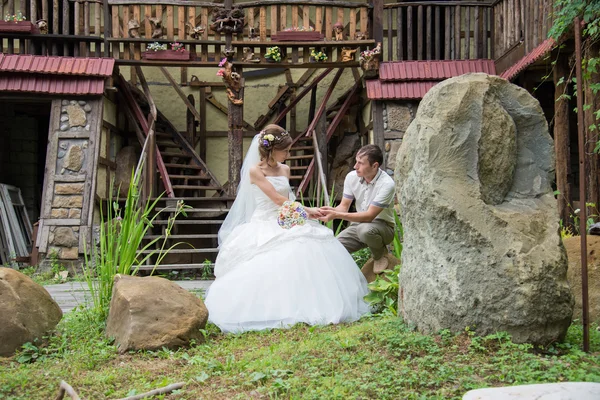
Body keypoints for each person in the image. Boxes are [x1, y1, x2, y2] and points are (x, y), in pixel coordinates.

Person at [204, 125, 370, 333]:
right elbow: (275, 198)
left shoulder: (285, 169)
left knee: (310, 242)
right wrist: (307, 210)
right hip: (265, 220)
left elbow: (288, 199)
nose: (288, 155)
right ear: (273, 150)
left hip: (285, 215)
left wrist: (302, 215)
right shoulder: (255, 171)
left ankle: (310, 303)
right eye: (286, 150)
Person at [319, 144, 396, 273]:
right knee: (334, 248)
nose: (355, 166)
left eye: (360, 163)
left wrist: (336, 215)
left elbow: (369, 216)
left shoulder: (387, 184)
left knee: (365, 230)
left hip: (383, 228)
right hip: (358, 226)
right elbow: (343, 207)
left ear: (374, 166)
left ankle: (379, 255)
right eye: (356, 162)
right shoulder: (351, 177)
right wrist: (328, 211)